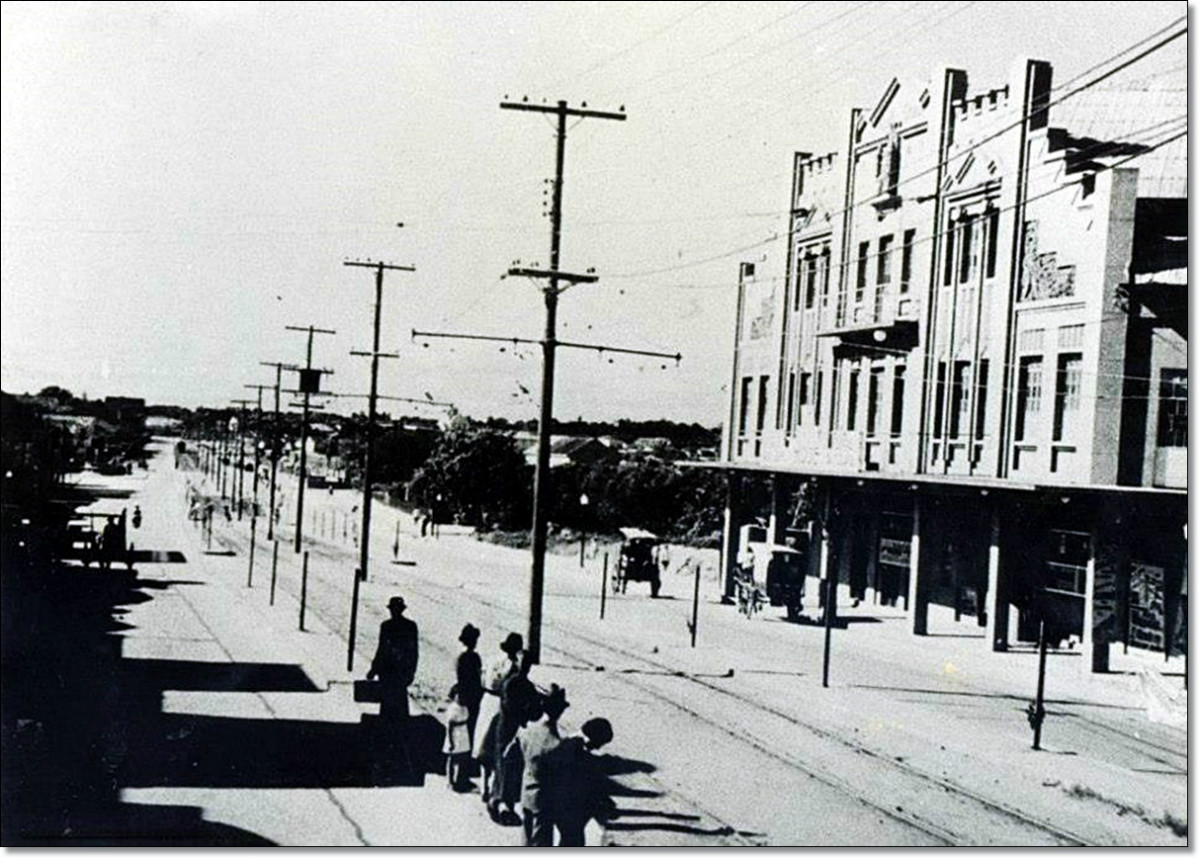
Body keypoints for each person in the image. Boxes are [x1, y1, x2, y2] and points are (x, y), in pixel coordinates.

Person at [510, 684, 569, 846]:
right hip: (544, 799)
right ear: (560, 711)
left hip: (526, 790)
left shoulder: (526, 730)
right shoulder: (556, 744)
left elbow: (509, 755)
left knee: (526, 839)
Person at [489, 649, 539, 825]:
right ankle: (501, 804)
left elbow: (536, 713)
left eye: (528, 664)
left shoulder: (526, 685)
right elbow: (512, 707)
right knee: (504, 765)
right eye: (523, 663)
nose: (526, 667)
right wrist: (528, 710)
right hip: (507, 730)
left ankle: (501, 802)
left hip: (518, 731)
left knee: (511, 767)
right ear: (517, 663)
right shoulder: (511, 684)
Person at [474, 632, 523, 804]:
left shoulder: (491, 659)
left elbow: (482, 679)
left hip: (487, 701)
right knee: (497, 745)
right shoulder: (514, 666)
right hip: (501, 704)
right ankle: (494, 787)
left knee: (482, 743)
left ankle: (483, 785)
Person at [555, 717, 616, 846]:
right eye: (599, 743)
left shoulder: (571, 744)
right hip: (569, 809)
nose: (598, 748)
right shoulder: (576, 751)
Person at [367, 596, 419, 723]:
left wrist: (374, 670)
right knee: (399, 706)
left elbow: (382, 649)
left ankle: (388, 735)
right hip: (398, 672)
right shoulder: (409, 626)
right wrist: (411, 671)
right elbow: (413, 652)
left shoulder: (387, 626)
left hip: (389, 672)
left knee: (388, 706)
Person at [454, 624, 484, 748]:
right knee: (471, 727)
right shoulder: (473, 657)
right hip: (472, 696)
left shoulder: (461, 657)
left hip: (464, 695)